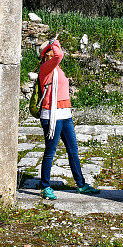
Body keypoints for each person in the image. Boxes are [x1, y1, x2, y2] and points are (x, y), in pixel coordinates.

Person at [37, 35, 100, 199]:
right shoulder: (45, 69)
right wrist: (54, 42)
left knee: (73, 150)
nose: (54, 53)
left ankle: (81, 184)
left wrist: (54, 44)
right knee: (50, 152)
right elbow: (59, 55)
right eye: (50, 51)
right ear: (46, 55)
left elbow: (59, 57)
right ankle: (45, 186)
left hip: (65, 116)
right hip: (51, 116)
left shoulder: (58, 70)